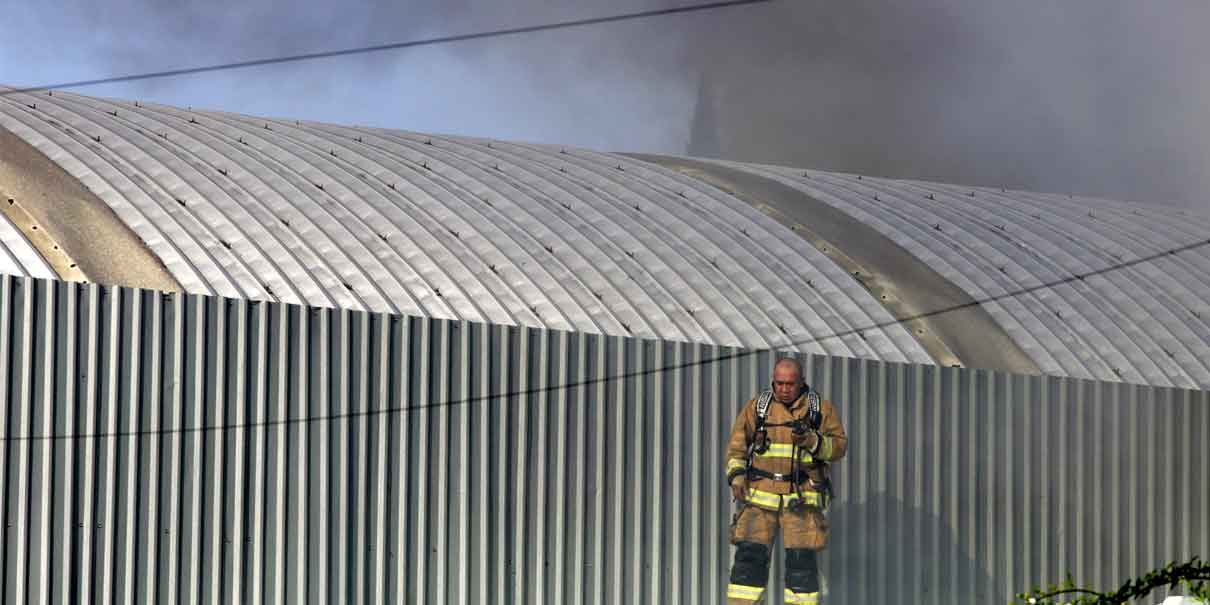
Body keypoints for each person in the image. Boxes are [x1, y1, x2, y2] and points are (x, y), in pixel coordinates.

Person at [724, 357, 848, 604]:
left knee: (801, 566)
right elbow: (736, 447)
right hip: (760, 498)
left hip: (800, 500)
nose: (783, 389)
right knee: (748, 563)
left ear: (801, 381)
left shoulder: (819, 409)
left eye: (790, 384)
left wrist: (814, 442)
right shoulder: (759, 407)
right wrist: (737, 475)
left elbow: (839, 447)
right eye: (779, 383)